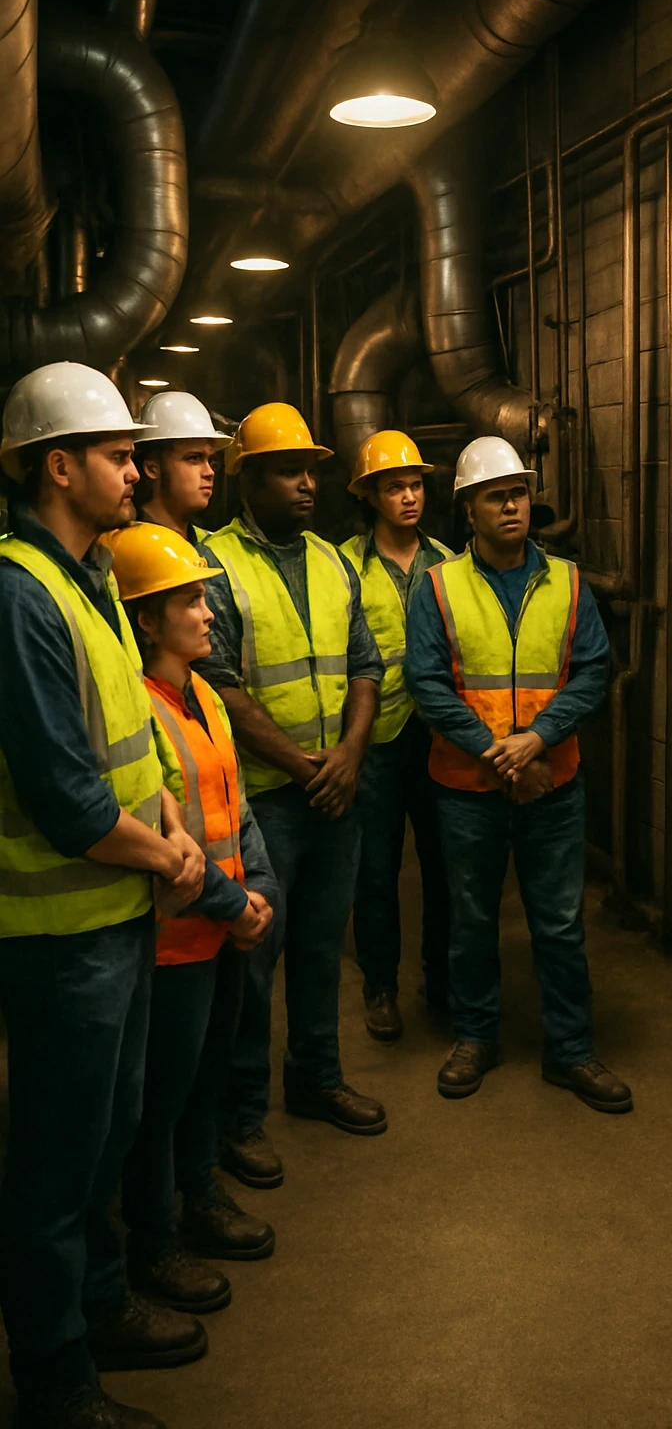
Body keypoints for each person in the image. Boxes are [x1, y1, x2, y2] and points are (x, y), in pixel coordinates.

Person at [0, 363, 208, 1429]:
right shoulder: (18, 595)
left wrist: (171, 822)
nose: (140, 471)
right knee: (53, 1163)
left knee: (109, 1132)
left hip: (116, 916)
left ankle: (99, 1304)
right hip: (57, 935)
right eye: (122, 455)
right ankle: (55, 1384)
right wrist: (165, 857)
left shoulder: (88, 580)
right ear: (59, 465)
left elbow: (132, 742)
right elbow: (63, 795)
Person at [405, 435, 632, 1112]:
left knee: (560, 922)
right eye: (494, 496)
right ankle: (477, 1036)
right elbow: (427, 682)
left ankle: (571, 1050)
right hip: (467, 789)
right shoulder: (438, 587)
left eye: (518, 492)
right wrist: (495, 751)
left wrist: (537, 739)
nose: (511, 504)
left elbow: (594, 671)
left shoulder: (566, 581)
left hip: (552, 784)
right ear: (467, 510)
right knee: (472, 918)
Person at [197, 403, 385, 1192]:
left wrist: (347, 756)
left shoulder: (334, 561)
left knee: (317, 946)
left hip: (334, 792)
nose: (308, 484)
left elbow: (368, 667)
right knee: (253, 961)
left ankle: (316, 1077)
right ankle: (242, 1114)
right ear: (248, 478)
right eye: (287, 470)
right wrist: (310, 768)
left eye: (311, 470)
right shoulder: (215, 564)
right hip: (269, 799)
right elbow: (223, 687)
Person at [108, 523, 280, 1319]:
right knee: (161, 1101)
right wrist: (230, 903)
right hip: (176, 939)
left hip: (223, 930)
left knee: (204, 1082)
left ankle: (200, 1200)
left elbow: (234, 812)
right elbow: (164, 836)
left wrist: (257, 895)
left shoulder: (205, 693)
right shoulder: (137, 711)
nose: (208, 614)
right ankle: (156, 1242)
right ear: (147, 620)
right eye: (190, 600)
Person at [341, 430, 453, 1042]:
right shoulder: (345, 565)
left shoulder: (448, 562)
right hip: (377, 737)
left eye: (415, 485)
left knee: (442, 866)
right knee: (376, 870)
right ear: (371, 496)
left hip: (438, 735)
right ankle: (380, 987)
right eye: (394, 487)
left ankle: (440, 982)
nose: (409, 496)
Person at [132, 390, 233, 545]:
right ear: (153, 469)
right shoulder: (127, 546)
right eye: (194, 458)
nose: (209, 472)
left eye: (210, 461)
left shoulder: (210, 544)